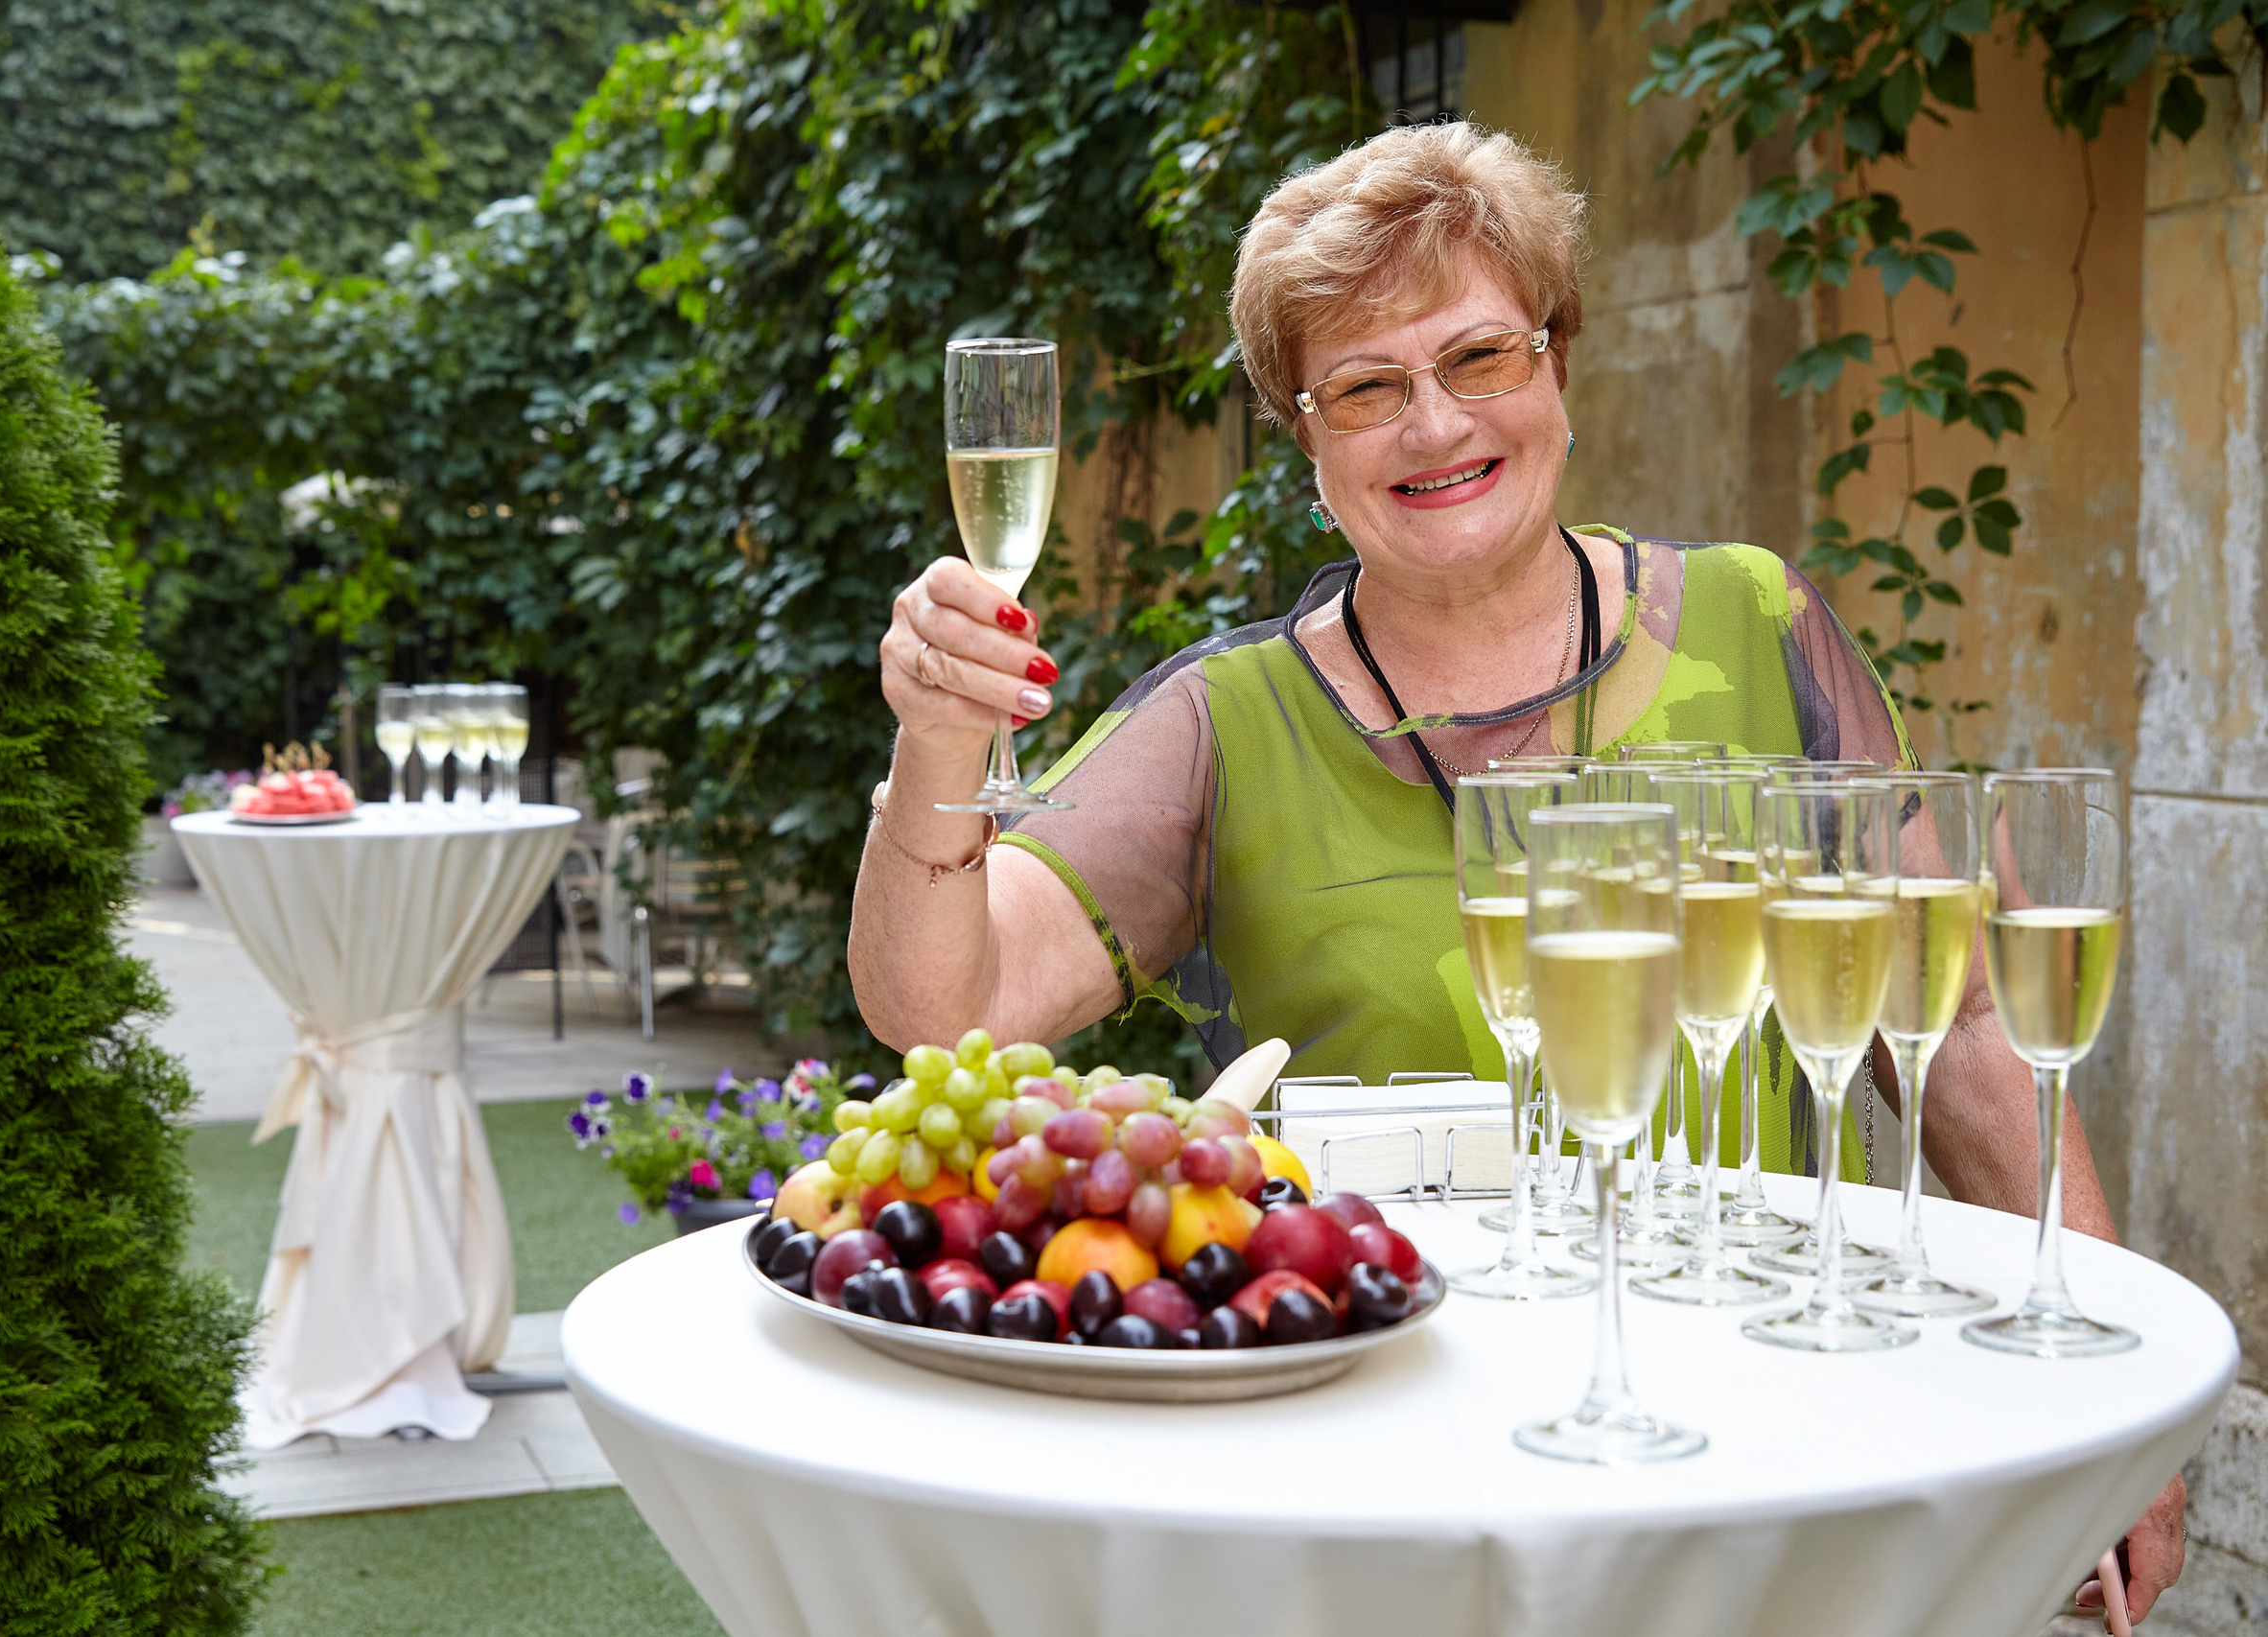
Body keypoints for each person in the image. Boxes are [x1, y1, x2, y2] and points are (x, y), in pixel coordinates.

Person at [848, 121, 2181, 1617]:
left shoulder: (1757, 626)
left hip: (1769, 1447)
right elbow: (941, 1006)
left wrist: (2109, 1408)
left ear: (1558, 365)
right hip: (1390, 1493)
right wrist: (938, 741)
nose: (1435, 425)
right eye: (1366, 386)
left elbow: (1969, 1032)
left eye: (1480, 356)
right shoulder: (1224, 724)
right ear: (1307, 443)